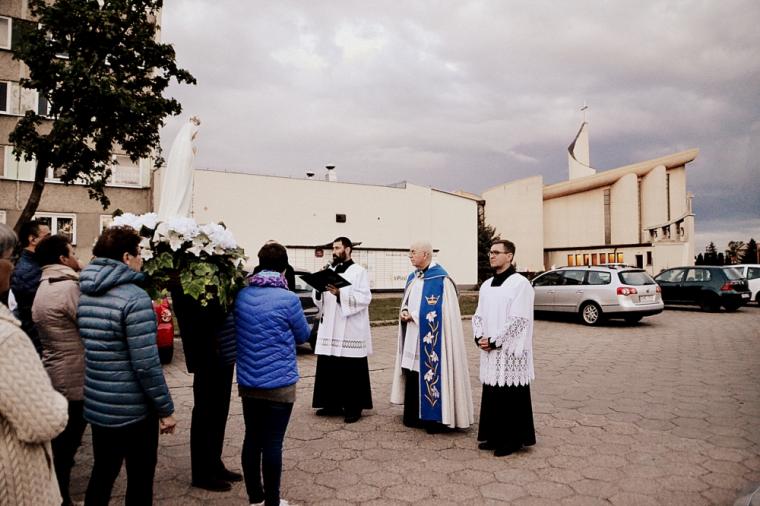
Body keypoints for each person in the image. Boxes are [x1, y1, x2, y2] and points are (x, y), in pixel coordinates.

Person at [78, 225, 176, 505]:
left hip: (98, 402)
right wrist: (165, 409)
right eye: (139, 253)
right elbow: (146, 365)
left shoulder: (85, 292)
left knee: (102, 472)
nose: (141, 259)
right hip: (133, 409)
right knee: (140, 478)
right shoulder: (135, 298)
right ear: (125, 257)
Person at [234, 242, 311, 506]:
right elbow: (303, 335)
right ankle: (273, 501)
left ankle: (255, 498)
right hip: (280, 382)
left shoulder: (241, 295)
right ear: (284, 268)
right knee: (273, 442)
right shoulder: (288, 299)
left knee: (252, 438)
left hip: (248, 380)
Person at [0, 223, 69, 506]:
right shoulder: (7, 339)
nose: (14, 267)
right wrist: (57, 398)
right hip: (17, 487)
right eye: (10, 258)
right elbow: (43, 421)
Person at [390, 241, 474, 432]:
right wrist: (404, 311)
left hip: (434, 340)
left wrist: (414, 316)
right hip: (413, 336)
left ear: (426, 255)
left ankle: (433, 419)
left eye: (413, 252)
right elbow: (407, 301)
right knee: (413, 372)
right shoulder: (413, 277)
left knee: (431, 372)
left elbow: (444, 313)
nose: (410, 255)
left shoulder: (441, 280)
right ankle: (413, 415)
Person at [32, 234, 86, 506]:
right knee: (67, 446)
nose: (77, 257)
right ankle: (61, 499)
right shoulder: (67, 289)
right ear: (63, 259)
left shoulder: (45, 284)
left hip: (56, 370)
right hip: (73, 374)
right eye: (72, 252)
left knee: (63, 445)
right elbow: (87, 324)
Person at [472, 239, 536, 457]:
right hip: (490, 349)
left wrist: (495, 341)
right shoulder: (486, 285)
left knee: (511, 395)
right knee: (492, 393)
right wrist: (479, 336)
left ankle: (513, 440)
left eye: (496, 252)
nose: (491, 255)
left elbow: (519, 320)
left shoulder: (520, 284)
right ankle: (494, 436)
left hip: (510, 351)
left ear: (509, 256)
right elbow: (478, 315)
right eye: (490, 252)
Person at [311, 237, 373, 423]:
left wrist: (340, 294)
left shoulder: (359, 271)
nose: (334, 251)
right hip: (330, 324)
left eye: (337, 248)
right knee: (330, 365)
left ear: (348, 249)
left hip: (349, 326)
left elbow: (365, 298)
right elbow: (320, 300)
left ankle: (354, 407)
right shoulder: (330, 270)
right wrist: (318, 287)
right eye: (333, 248)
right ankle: (331, 404)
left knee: (350, 368)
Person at [10, 219, 50, 354]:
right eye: (47, 237)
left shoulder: (37, 262)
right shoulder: (26, 271)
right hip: (36, 341)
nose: (51, 241)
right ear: (32, 239)